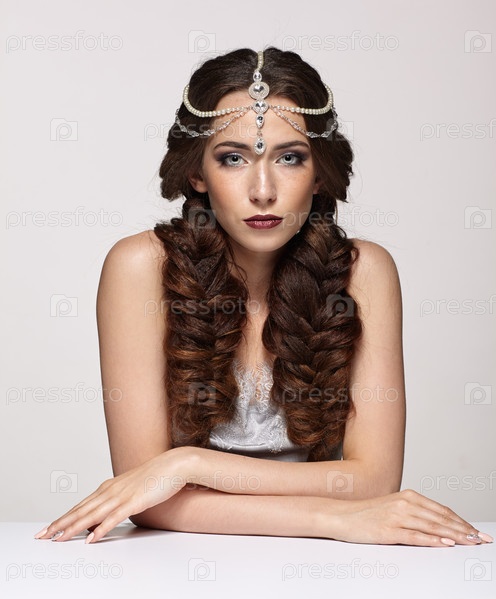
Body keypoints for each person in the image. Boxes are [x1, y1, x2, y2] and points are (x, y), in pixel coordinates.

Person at [34, 47, 492, 547]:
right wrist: (333, 520)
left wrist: (188, 464)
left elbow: (375, 481)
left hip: (326, 569)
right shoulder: (140, 268)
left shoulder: (363, 273)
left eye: (289, 158)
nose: (263, 190)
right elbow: (143, 495)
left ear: (319, 174)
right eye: (233, 158)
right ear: (197, 173)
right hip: (176, 564)